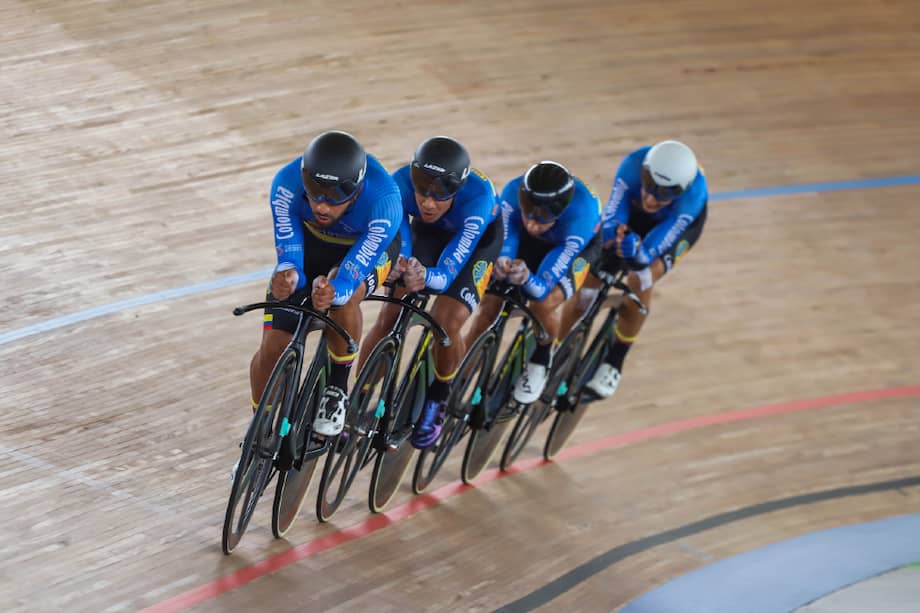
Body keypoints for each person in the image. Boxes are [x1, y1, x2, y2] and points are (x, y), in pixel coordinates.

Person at [251, 130, 403, 438]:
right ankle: (258, 427)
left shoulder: (384, 202)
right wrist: (289, 275)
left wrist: (335, 291)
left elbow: (349, 278)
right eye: (314, 192)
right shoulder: (286, 182)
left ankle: (336, 388)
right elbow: (289, 253)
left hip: (365, 250)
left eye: (334, 197)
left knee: (343, 297)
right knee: (273, 346)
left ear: (357, 190)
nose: (321, 206)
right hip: (312, 244)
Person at [359, 136, 503, 448]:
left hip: (474, 246)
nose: (427, 202)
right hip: (427, 234)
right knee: (390, 313)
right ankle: (358, 399)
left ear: (457, 190)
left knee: (446, 321)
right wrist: (404, 262)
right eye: (422, 190)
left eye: (439, 195)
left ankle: (438, 399)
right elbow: (401, 232)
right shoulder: (399, 184)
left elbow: (451, 268)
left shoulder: (478, 200)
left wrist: (426, 276)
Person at [465, 161, 602, 404]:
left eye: (542, 218)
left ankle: (542, 356)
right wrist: (503, 262)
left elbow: (542, 288)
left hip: (567, 250)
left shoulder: (580, 217)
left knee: (544, 303)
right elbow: (506, 241)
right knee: (489, 306)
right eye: (528, 212)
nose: (532, 223)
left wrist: (527, 278)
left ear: (560, 212)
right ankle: (459, 378)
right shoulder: (511, 192)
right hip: (525, 243)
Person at [583, 140, 708, 398]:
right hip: (632, 213)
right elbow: (613, 216)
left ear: (680, 191)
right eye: (649, 186)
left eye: (663, 193)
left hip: (672, 226)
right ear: (645, 172)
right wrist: (612, 237)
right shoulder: (631, 165)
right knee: (597, 261)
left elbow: (652, 250)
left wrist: (639, 256)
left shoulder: (691, 199)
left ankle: (614, 362)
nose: (651, 197)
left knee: (642, 276)